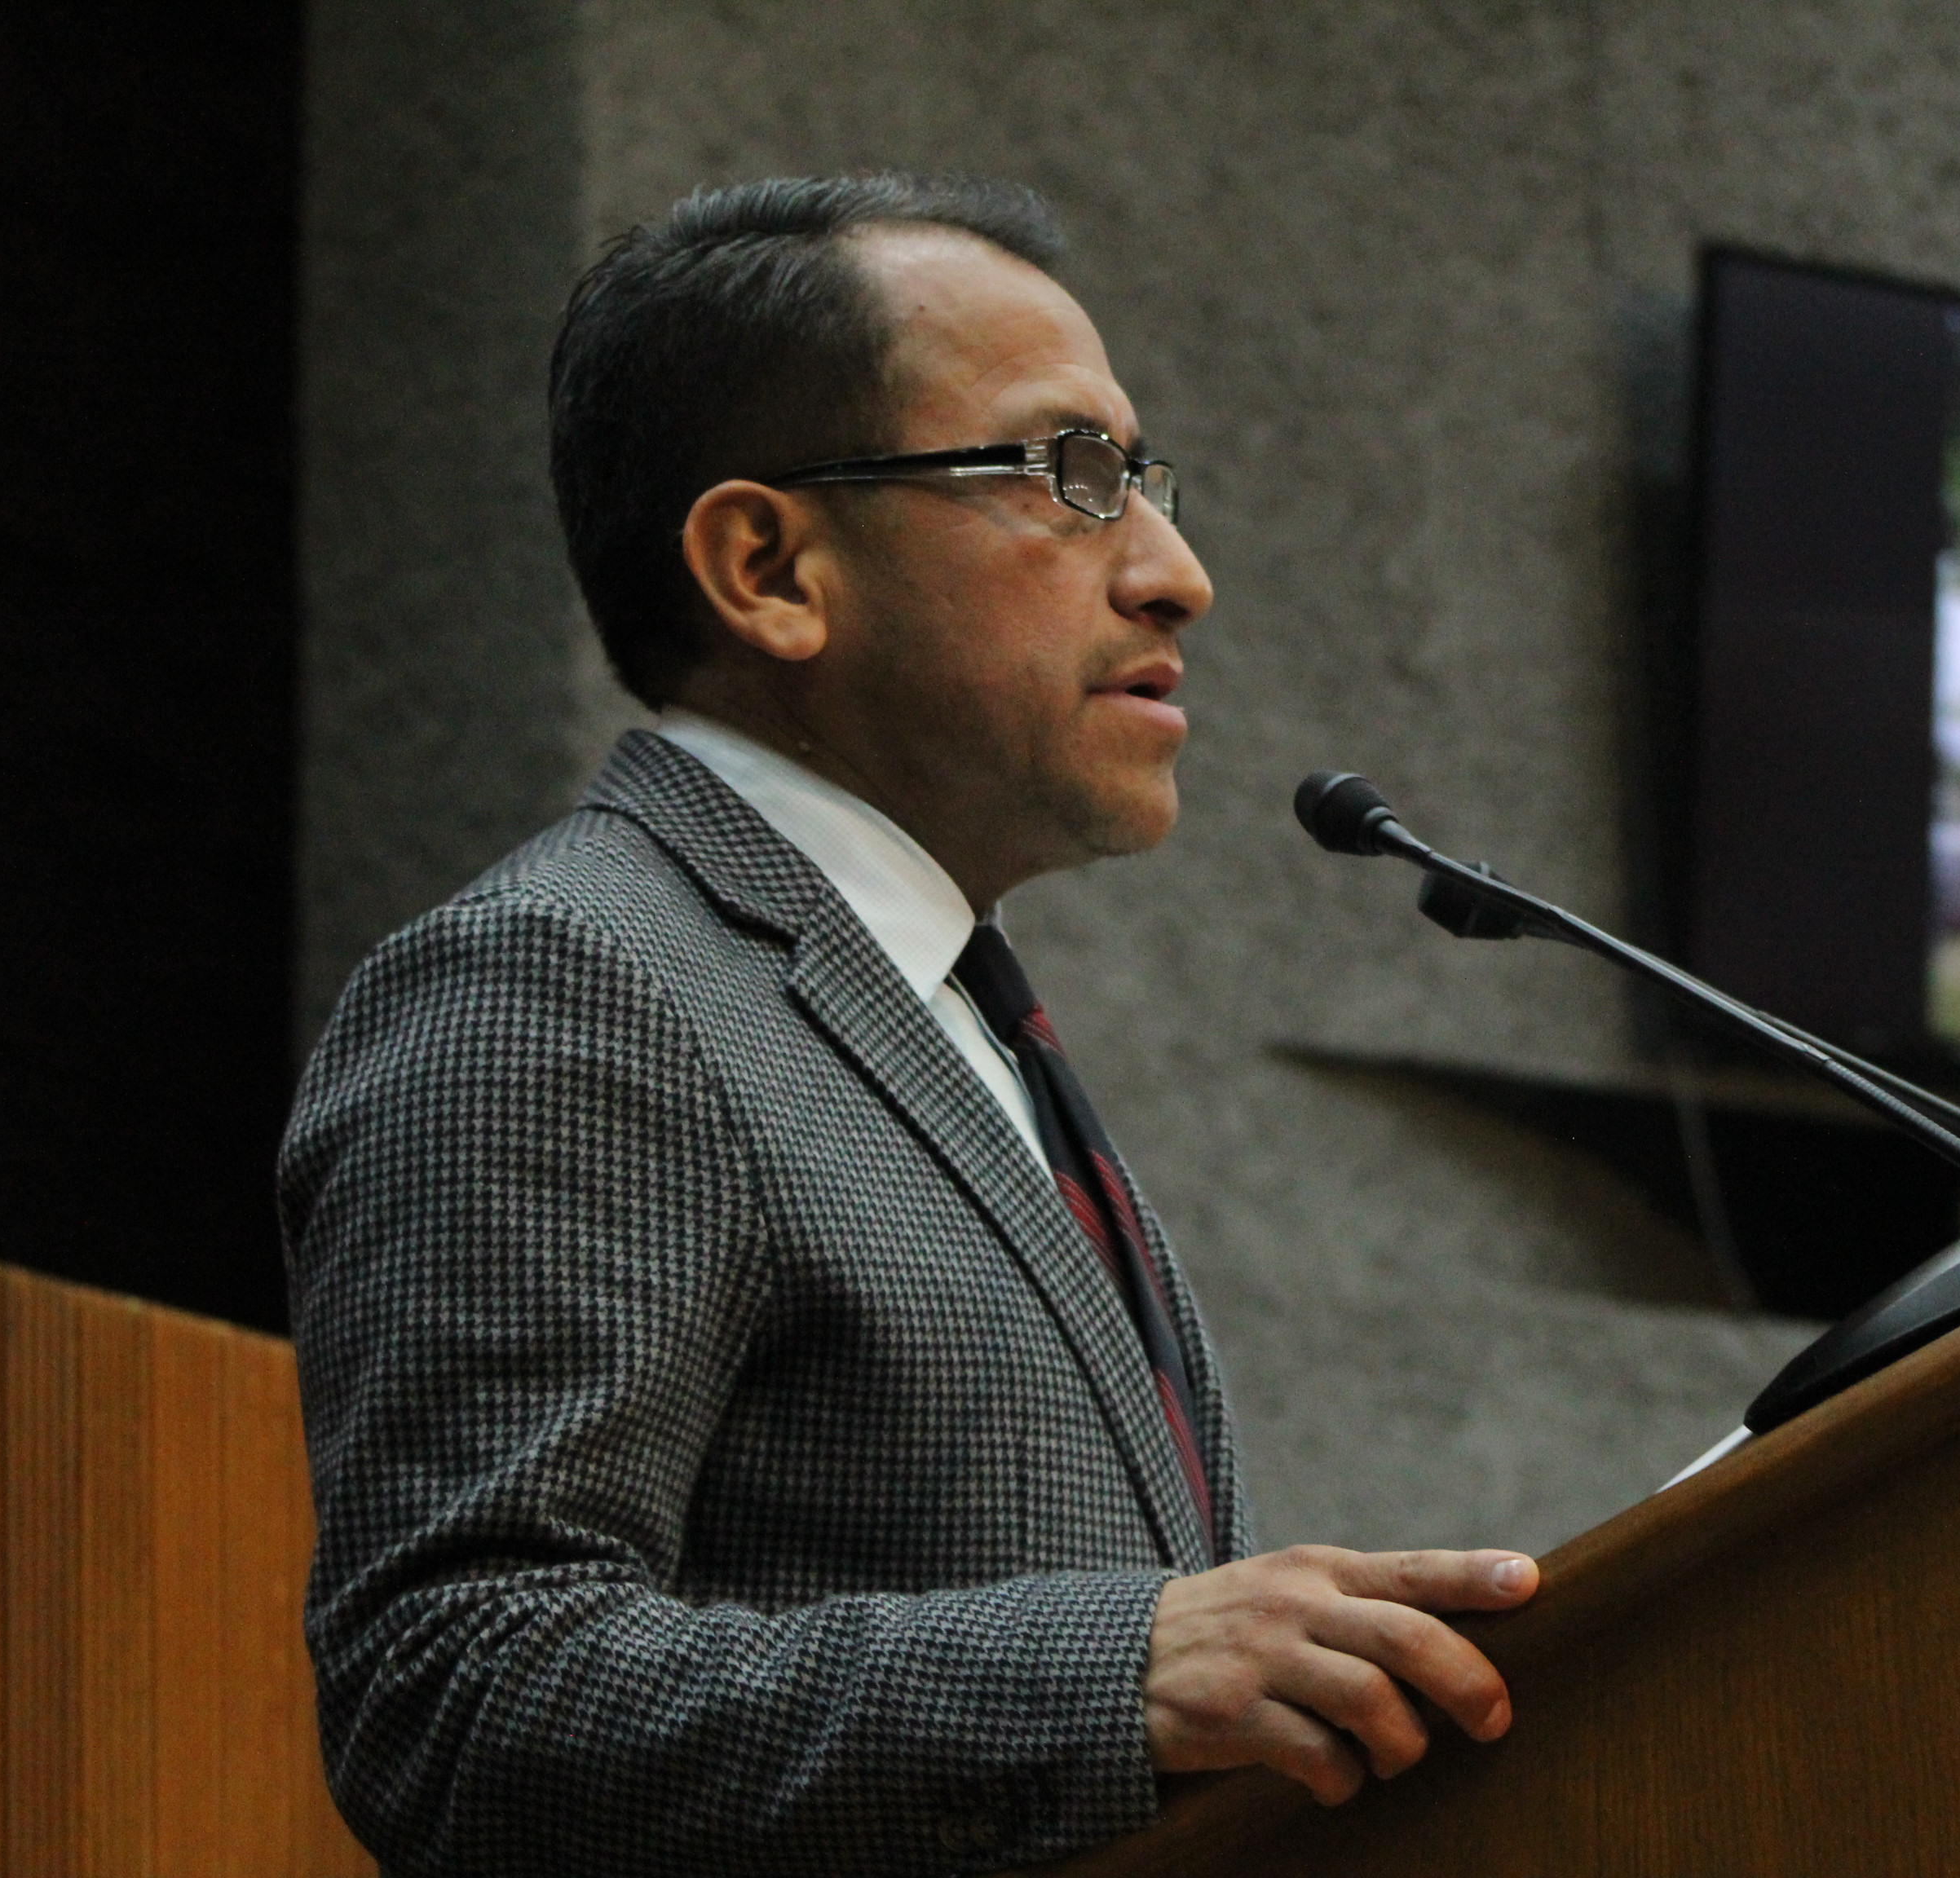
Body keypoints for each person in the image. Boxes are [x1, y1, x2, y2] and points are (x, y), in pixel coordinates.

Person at [280, 173, 1538, 1878]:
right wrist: (1109, 1669)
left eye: (1144, 478)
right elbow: (458, 1693)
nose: (1180, 575)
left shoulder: (949, 1009)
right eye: (1069, 476)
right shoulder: (565, 981)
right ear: (768, 566)